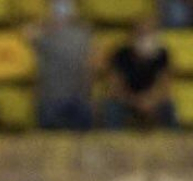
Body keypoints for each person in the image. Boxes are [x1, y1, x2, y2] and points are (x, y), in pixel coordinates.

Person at [101, 20, 177, 129]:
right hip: (127, 100)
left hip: (152, 100)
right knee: (112, 107)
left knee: (168, 107)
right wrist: (136, 102)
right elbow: (114, 88)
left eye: (149, 33)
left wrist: (151, 101)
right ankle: (113, 141)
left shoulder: (162, 55)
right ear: (133, 35)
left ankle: (174, 142)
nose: (146, 38)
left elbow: (165, 86)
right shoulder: (120, 54)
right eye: (142, 33)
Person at [32, 0, 94, 131]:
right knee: (50, 138)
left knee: (83, 137)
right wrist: (46, 24)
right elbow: (28, 34)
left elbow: (91, 63)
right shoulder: (44, 34)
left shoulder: (83, 34)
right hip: (50, 97)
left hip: (79, 96)